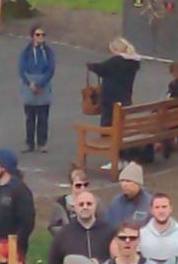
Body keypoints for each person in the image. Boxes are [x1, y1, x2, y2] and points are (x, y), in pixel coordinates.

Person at [87, 38, 140, 170]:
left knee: (109, 130)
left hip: (111, 100)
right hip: (125, 99)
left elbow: (101, 68)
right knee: (121, 130)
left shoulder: (117, 61)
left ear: (116, 50)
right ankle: (124, 159)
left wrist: (90, 65)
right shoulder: (133, 62)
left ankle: (115, 160)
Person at [0, 149, 35, 264]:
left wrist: (14, 247)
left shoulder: (20, 190)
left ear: (4, 167)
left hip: (12, 253)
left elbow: (27, 223)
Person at [47, 191, 114, 264]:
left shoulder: (109, 231)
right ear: (75, 207)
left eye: (89, 204)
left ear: (95, 206)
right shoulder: (63, 234)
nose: (85, 207)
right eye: (81, 204)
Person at [18, 25, 56, 153]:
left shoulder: (48, 52)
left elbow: (51, 69)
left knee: (43, 117)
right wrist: (30, 84)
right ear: (32, 36)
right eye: (38, 35)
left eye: (43, 35)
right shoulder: (26, 51)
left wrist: (40, 83)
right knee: (30, 118)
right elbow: (22, 69)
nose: (41, 37)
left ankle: (42, 143)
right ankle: (29, 143)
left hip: (44, 85)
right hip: (29, 85)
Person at [139, 193, 178, 264]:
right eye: (157, 207)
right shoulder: (140, 235)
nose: (161, 211)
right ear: (151, 210)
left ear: (170, 209)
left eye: (164, 207)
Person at [106, 162, 152, 228]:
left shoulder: (150, 203)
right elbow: (109, 223)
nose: (124, 184)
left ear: (138, 183)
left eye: (128, 181)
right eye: (122, 181)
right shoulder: (116, 201)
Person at [48, 164, 92, 235]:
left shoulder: (95, 203)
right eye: (78, 185)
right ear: (71, 185)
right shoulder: (60, 205)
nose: (82, 188)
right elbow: (53, 228)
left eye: (85, 185)